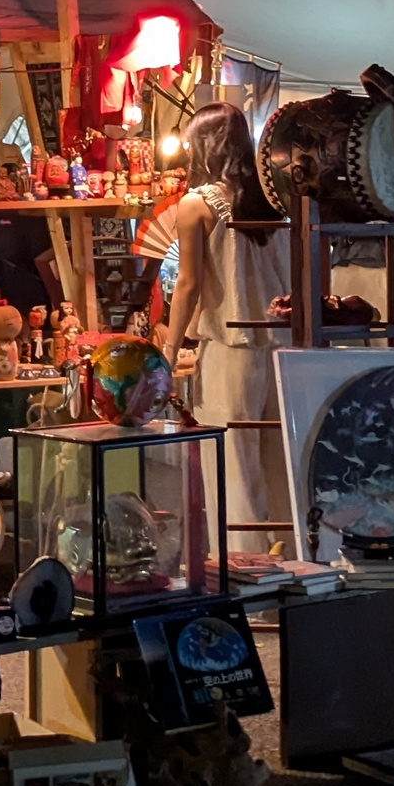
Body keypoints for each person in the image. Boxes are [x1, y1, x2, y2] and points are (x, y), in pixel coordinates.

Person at [156, 105, 292, 549]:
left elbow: (189, 283)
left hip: (233, 345)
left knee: (234, 464)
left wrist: (171, 348)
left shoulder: (196, 204)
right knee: (281, 462)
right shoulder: (275, 199)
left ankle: (245, 572)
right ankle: (291, 563)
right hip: (284, 345)